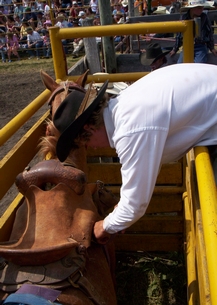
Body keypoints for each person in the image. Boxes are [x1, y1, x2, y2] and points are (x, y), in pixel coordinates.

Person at [50, 63, 217, 244]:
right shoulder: (125, 103)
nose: (93, 148)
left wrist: (104, 227)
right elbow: (144, 169)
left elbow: (135, 205)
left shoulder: (130, 130)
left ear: (88, 128)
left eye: (86, 142)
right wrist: (121, 213)